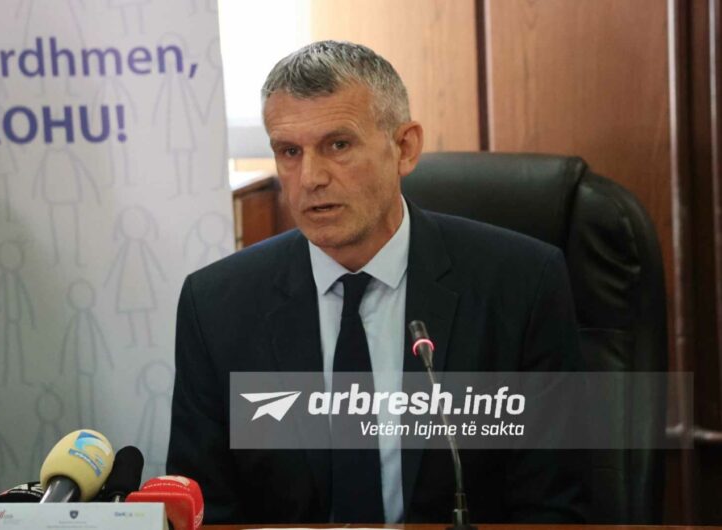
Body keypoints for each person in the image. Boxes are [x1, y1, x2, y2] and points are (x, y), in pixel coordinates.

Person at [167, 40, 584, 524]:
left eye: (338, 145)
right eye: (289, 151)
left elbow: (551, 508)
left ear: (405, 148)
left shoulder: (521, 285)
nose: (310, 178)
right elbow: (204, 513)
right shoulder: (217, 306)